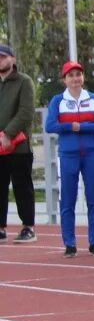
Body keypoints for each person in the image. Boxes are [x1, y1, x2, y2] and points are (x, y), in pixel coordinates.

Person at [44, 61, 94, 256]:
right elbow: (50, 126)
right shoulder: (58, 101)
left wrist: (82, 127)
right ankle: (70, 244)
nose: (75, 79)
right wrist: (70, 126)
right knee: (68, 199)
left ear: (83, 77)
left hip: (92, 154)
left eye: (78, 74)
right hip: (68, 155)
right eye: (71, 75)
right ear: (64, 79)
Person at [0, 44, 33, 243]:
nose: (1, 61)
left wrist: (8, 133)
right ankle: (1, 228)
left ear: (12, 59)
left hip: (19, 146)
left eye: (3, 57)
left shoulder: (24, 81)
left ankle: (28, 227)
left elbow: (26, 112)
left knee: (22, 187)